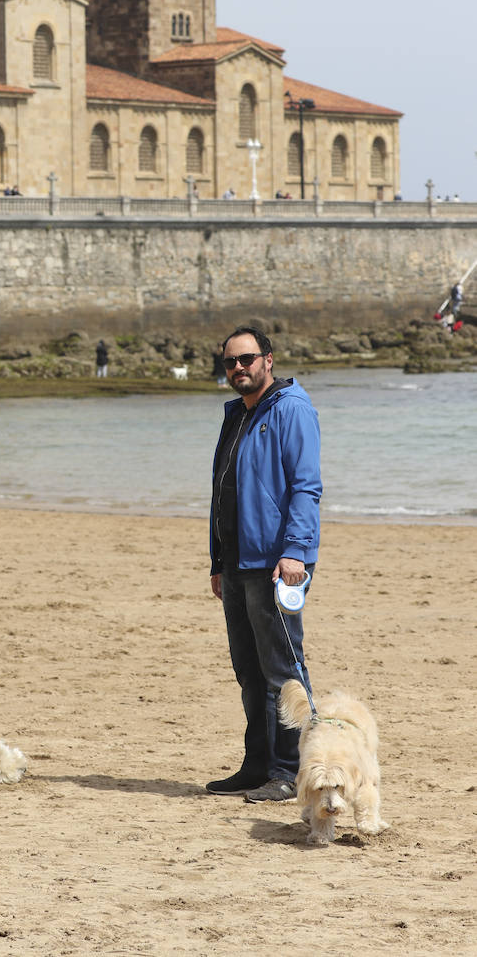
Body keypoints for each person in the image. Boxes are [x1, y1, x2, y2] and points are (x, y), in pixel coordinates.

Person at [205, 326, 321, 802]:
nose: (238, 368)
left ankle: (292, 770)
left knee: (284, 671)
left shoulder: (292, 409)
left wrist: (296, 551)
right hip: (236, 563)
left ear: (268, 360)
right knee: (249, 672)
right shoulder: (236, 413)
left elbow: (306, 486)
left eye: (247, 359)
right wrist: (217, 560)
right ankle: (257, 766)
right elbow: (224, 490)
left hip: (275, 563)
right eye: (230, 362)